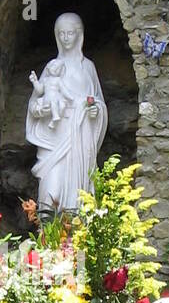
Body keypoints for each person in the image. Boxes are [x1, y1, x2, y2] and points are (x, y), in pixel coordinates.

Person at [26, 12, 108, 215]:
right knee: (50, 188)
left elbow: (98, 101)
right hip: (54, 136)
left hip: (79, 135)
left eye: (70, 33)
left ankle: (75, 240)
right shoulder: (51, 67)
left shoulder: (87, 67)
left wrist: (94, 110)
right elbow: (36, 100)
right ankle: (46, 239)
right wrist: (40, 109)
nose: (65, 38)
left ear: (79, 35)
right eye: (61, 33)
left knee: (77, 192)